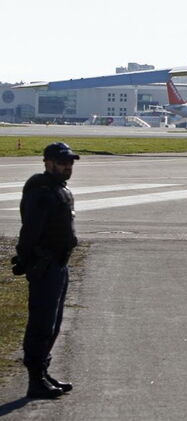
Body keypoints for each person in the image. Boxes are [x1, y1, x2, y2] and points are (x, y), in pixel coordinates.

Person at [13, 142, 80, 399]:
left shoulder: (58, 189)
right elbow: (29, 231)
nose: (68, 166)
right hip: (46, 265)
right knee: (41, 323)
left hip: (59, 264)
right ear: (47, 162)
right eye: (62, 162)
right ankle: (35, 379)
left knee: (53, 323)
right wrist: (26, 259)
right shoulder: (40, 190)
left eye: (70, 162)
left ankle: (43, 372)